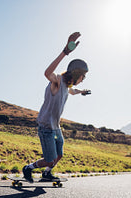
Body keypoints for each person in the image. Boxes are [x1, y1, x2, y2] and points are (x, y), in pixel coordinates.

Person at [22, 32, 91, 182]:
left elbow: (72, 91)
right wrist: (65, 52)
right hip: (46, 127)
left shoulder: (67, 86)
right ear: (77, 73)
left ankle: (46, 173)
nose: (83, 80)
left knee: (59, 155)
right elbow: (47, 73)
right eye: (82, 77)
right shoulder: (58, 81)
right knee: (49, 159)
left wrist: (82, 92)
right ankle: (28, 168)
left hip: (56, 128)